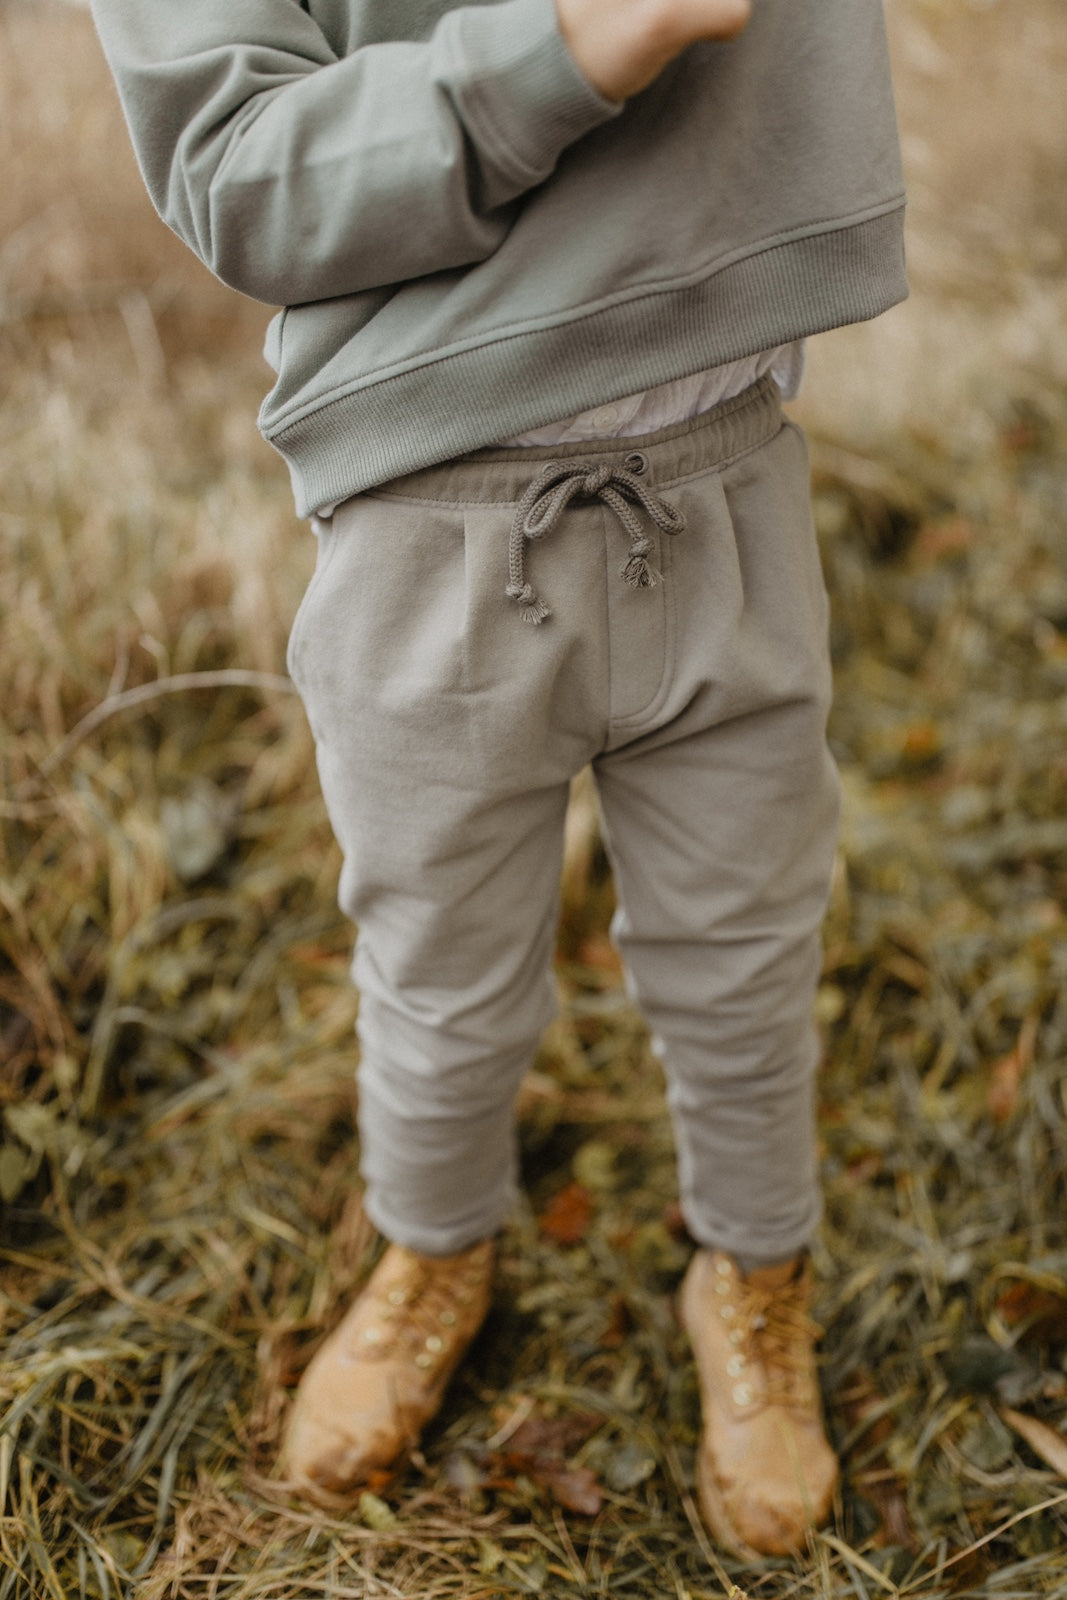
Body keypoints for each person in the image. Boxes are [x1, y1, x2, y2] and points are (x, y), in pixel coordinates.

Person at [89, 0, 906, 1558]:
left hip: (724, 466)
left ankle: (754, 1267)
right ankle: (433, 1251)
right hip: (428, 524)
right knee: (443, 971)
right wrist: (569, 45)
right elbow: (237, 168)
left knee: (749, 945)